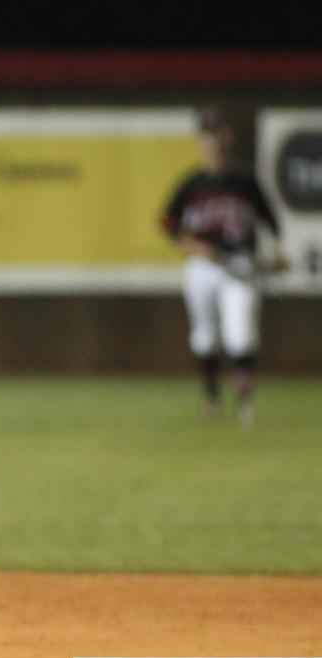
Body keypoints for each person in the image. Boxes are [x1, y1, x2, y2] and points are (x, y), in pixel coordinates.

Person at [160, 107, 283, 426]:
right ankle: (212, 398)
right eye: (207, 134)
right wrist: (194, 246)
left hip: (240, 262)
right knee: (204, 335)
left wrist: (279, 250)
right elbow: (167, 224)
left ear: (228, 137)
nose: (212, 140)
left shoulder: (245, 180)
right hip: (203, 266)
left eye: (217, 133)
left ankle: (245, 402)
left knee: (240, 333)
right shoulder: (191, 183)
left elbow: (271, 219)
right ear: (200, 140)